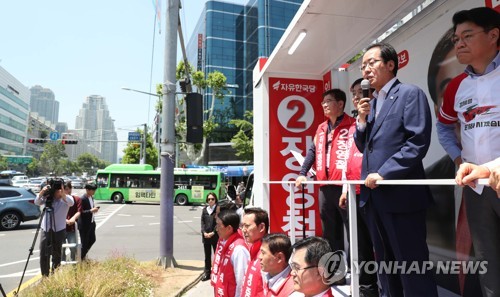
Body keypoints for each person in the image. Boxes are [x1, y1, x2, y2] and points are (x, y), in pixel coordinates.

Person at [354, 42, 438, 296]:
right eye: (363, 66)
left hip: (401, 196)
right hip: (373, 197)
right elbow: (364, 146)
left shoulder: (409, 94)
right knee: (385, 265)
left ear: (391, 65)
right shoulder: (372, 102)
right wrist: (361, 121)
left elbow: (417, 142)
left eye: (372, 63)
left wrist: (385, 173)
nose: (366, 70)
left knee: (411, 265)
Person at [436, 7, 500, 297]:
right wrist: (460, 159)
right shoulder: (456, 87)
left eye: (467, 36)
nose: (459, 43)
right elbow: (444, 126)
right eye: (456, 38)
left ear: (494, 35)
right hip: (476, 190)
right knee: (488, 263)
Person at [295, 88, 355, 257]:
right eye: (323, 102)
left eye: (328, 101)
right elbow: (312, 152)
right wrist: (302, 173)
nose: (324, 105)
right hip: (324, 186)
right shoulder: (321, 128)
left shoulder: (352, 124)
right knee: (329, 231)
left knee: (352, 229)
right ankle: (336, 270)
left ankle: (356, 271)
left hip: (345, 186)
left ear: (341, 103)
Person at [338, 78, 379, 297]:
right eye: (353, 93)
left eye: (361, 91)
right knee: (361, 247)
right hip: (355, 194)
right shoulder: (355, 123)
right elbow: (347, 159)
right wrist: (345, 189)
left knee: (380, 246)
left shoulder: (380, 117)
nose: (356, 97)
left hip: (375, 192)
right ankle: (366, 290)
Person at [34, 179, 74, 276]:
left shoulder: (66, 199)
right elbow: (37, 202)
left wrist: (63, 193)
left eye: (58, 189)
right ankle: (45, 276)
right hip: (46, 228)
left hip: (59, 230)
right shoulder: (48, 198)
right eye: (55, 190)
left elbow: (71, 203)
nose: (56, 192)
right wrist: (42, 192)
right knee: (43, 254)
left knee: (56, 254)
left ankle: (55, 274)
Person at [211, 208, 249, 297]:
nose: (216, 229)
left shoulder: (239, 249)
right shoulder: (225, 242)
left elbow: (241, 283)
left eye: (219, 226)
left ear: (229, 228)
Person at [240, 207, 269, 297]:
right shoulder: (253, 249)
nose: (243, 230)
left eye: (247, 226)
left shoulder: (268, 256)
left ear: (261, 227)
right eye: (242, 226)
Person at [78, 183, 99, 260]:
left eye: (94, 190)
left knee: (92, 240)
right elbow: (80, 212)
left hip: (91, 222)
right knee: (85, 242)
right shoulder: (82, 199)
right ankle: (80, 258)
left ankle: (82, 255)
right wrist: (90, 211)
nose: (94, 192)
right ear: (87, 190)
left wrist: (93, 210)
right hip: (84, 224)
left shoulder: (91, 198)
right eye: (92, 190)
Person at [201, 192, 219, 281]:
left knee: (217, 255)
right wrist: (204, 232)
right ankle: (207, 273)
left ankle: (217, 273)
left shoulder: (218, 210)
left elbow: (218, 223)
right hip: (206, 237)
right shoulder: (205, 210)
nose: (210, 201)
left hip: (215, 236)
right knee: (207, 256)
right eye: (209, 199)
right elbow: (202, 222)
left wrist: (213, 232)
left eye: (212, 199)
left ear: (215, 200)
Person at [64, 181, 82, 262]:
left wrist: (73, 218)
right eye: (64, 189)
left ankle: (74, 267)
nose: (66, 191)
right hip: (61, 228)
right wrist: (64, 220)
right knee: (60, 249)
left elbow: (79, 211)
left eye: (68, 189)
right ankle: (60, 267)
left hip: (71, 228)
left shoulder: (77, 199)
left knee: (73, 248)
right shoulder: (58, 200)